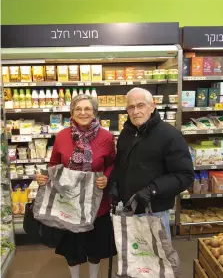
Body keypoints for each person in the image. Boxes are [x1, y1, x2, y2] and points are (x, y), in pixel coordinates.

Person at [36, 94, 116, 278]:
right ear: (72, 112)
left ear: (94, 112)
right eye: (78, 109)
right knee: (71, 248)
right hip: (68, 201)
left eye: (87, 108)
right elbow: (54, 163)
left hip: (96, 203)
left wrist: (106, 177)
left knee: (95, 248)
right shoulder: (62, 136)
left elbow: (112, 163)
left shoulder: (107, 137)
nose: (83, 112)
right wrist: (45, 178)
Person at [109, 87, 194, 238]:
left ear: (152, 106)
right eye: (131, 107)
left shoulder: (169, 135)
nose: (135, 111)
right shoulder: (126, 133)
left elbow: (184, 175)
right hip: (128, 210)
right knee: (132, 259)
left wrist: (152, 190)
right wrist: (115, 186)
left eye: (140, 105)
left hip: (155, 212)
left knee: (156, 259)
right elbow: (120, 165)